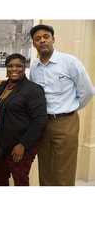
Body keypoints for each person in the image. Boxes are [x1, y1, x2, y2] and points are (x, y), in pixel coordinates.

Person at [29, 24, 95, 186]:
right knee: (45, 169)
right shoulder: (34, 67)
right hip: (42, 123)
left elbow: (88, 91)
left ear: (53, 39)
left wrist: (70, 109)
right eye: (38, 39)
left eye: (46, 37)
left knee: (63, 173)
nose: (42, 40)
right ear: (34, 44)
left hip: (66, 123)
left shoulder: (70, 62)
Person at [0, 53, 47, 186]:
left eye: (18, 66)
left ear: (24, 67)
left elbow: (40, 120)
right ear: (6, 68)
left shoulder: (33, 90)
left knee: (20, 181)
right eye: (10, 66)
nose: (14, 69)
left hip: (19, 147)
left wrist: (23, 144)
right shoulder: (2, 86)